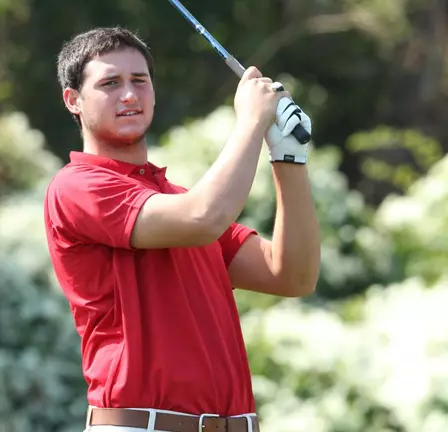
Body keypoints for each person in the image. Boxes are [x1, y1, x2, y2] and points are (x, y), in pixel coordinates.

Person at [43, 26, 321, 432]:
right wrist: (251, 121)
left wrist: (288, 157)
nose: (129, 95)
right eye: (110, 83)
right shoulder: (77, 186)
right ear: (74, 100)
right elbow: (202, 217)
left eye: (140, 80)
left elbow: (292, 275)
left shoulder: (176, 199)